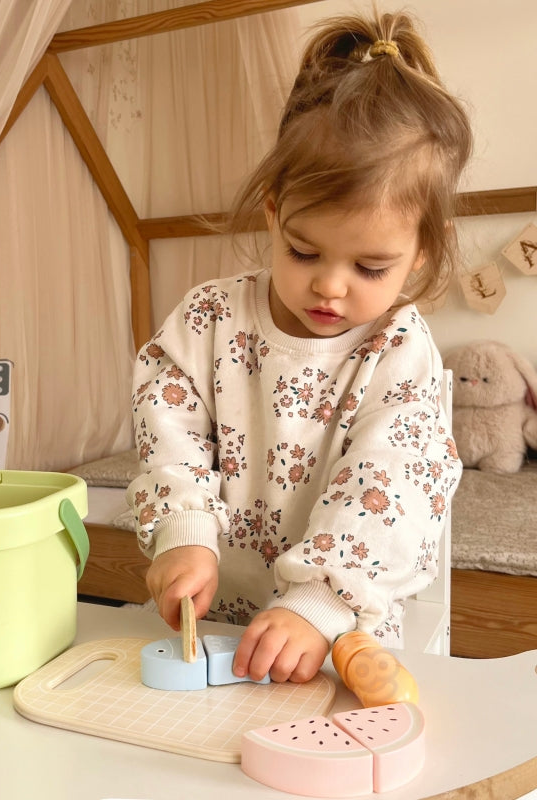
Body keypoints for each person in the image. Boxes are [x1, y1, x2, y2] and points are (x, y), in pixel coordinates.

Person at [127, 9, 471, 685]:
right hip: (219, 625)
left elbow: (396, 480)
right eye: (304, 251)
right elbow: (166, 428)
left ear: (420, 254)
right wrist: (183, 532)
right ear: (273, 210)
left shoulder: (399, 347)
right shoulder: (209, 316)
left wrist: (320, 600)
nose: (331, 287)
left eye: (370, 267)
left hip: (340, 635)